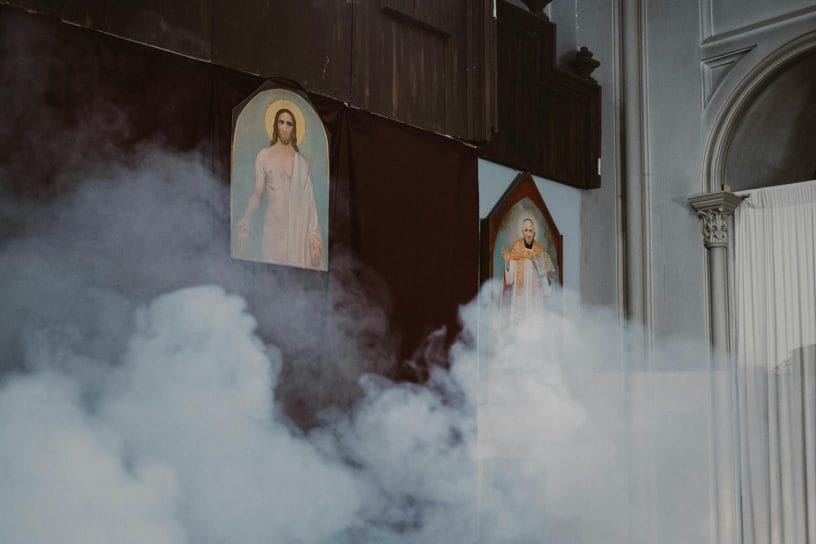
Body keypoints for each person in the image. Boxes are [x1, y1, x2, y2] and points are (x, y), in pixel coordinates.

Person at [235, 108, 323, 269]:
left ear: (294, 129)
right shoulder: (264, 156)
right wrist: (246, 220)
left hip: (295, 233)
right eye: (281, 122)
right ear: (276, 125)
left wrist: (313, 237)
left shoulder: (302, 164)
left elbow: (310, 204)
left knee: (293, 282)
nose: (284, 127)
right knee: (271, 279)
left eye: (289, 124)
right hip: (272, 230)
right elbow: (257, 194)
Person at [500, 218, 555, 324]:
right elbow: (509, 278)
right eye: (526, 230)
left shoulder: (539, 250)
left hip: (535, 294)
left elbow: (545, 278)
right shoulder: (516, 247)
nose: (528, 234)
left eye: (530, 231)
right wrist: (507, 262)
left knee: (534, 320)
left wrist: (548, 275)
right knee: (519, 320)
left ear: (534, 232)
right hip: (520, 293)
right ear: (522, 231)